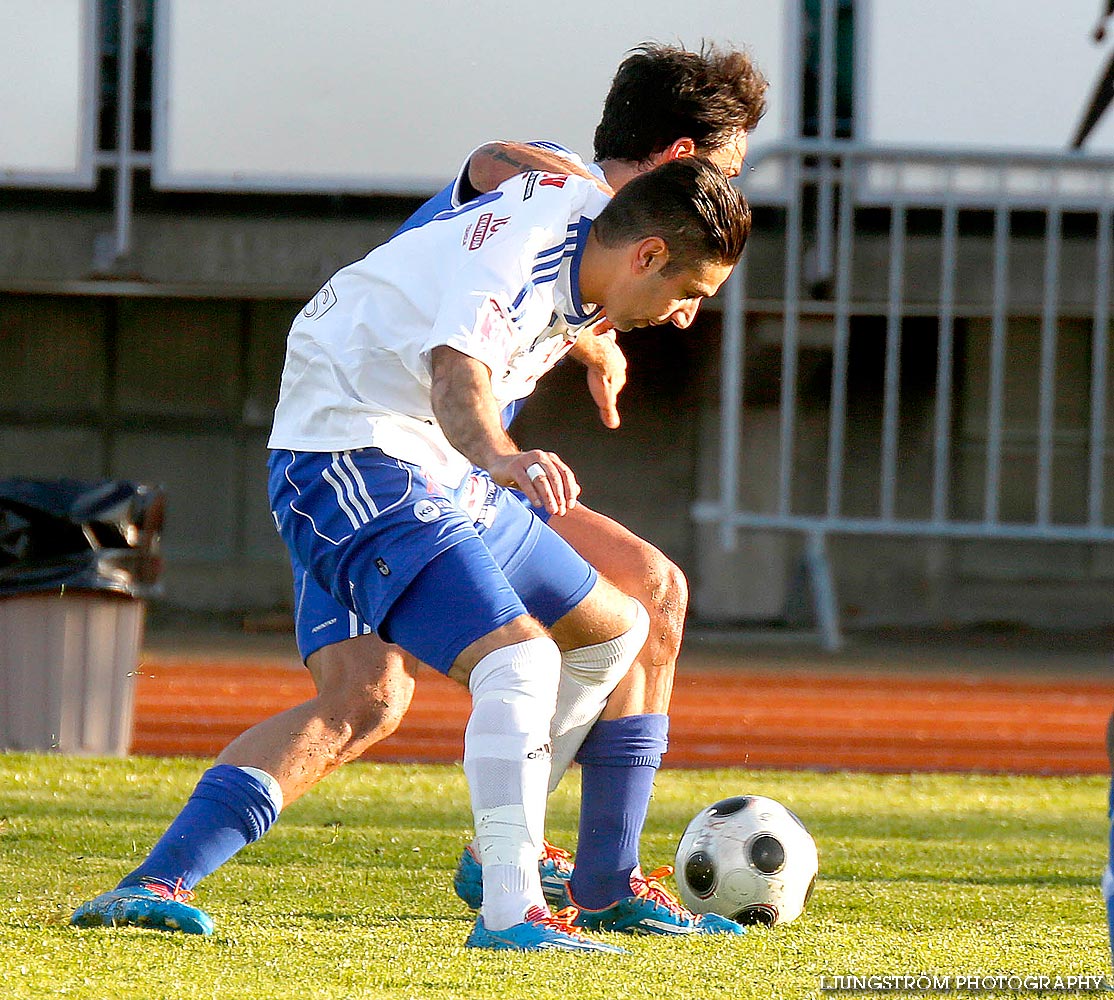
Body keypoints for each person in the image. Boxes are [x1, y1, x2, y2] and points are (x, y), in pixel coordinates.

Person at [70, 42, 768, 940]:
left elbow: (493, 195)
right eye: (730, 169)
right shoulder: (548, 212)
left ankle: (161, 884)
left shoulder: (577, 227)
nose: (733, 189)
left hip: (440, 468)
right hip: (363, 456)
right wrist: (510, 453)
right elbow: (458, 368)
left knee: (520, 654)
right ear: (675, 177)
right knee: (529, 655)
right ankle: (527, 891)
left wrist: (587, 337)